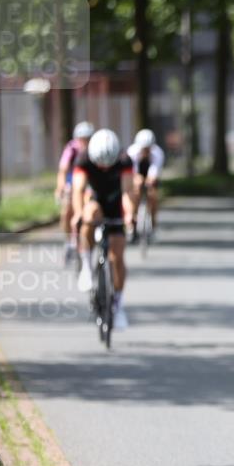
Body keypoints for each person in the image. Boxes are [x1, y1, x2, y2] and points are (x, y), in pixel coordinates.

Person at [72, 129, 134, 330]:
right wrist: (78, 214)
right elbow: (78, 190)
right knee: (89, 215)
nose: (104, 167)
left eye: (108, 164)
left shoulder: (125, 160)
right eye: (100, 163)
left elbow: (127, 192)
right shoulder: (83, 159)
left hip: (115, 203)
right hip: (95, 200)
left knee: (117, 257)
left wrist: (130, 215)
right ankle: (86, 267)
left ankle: (118, 303)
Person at [55, 121, 95, 264]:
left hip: (89, 183)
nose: (84, 142)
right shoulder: (71, 149)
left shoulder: (94, 149)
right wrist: (61, 187)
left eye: (87, 138)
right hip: (73, 182)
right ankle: (69, 239)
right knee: (67, 211)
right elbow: (63, 170)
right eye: (82, 139)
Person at [127, 128, 165, 242]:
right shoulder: (131, 153)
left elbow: (154, 173)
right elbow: (131, 172)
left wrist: (150, 180)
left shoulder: (158, 153)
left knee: (152, 195)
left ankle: (153, 225)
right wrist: (137, 179)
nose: (146, 151)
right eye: (144, 149)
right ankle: (132, 222)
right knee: (135, 192)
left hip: (149, 174)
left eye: (148, 149)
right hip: (135, 173)